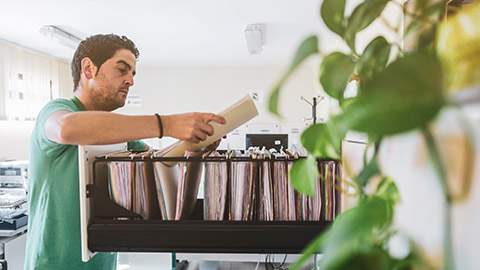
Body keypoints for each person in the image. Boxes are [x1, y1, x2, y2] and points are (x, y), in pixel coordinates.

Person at [25, 34, 226, 270]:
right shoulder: (57, 110)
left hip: (101, 260)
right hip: (53, 264)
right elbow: (66, 128)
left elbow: (161, 161)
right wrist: (167, 124)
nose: (130, 81)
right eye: (122, 70)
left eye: (132, 74)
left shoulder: (116, 134)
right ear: (88, 68)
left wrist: (196, 146)